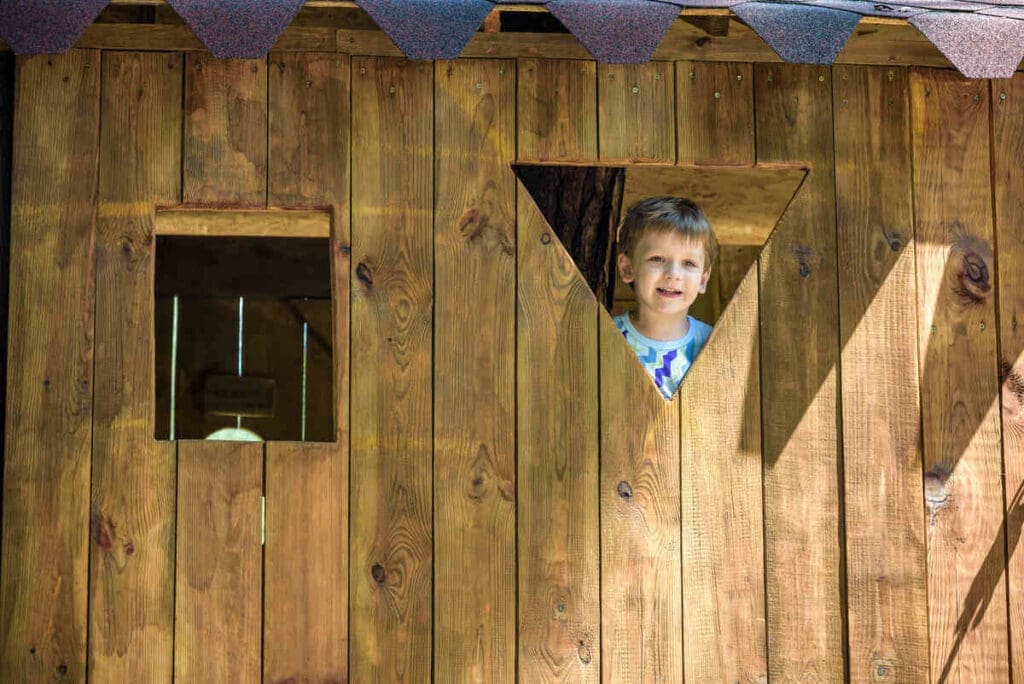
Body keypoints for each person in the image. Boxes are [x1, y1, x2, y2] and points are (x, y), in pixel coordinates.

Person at [613, 196, 718, 400]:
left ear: (703, 279)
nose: (673, 274)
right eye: (658, 259)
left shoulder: (713, 343)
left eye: (689, 263)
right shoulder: (608, 338)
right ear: (627, 268)